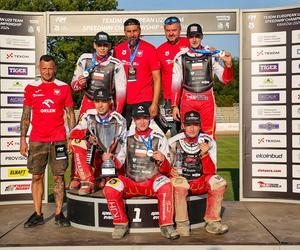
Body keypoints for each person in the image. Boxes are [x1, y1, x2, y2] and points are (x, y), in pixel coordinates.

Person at [103, 104, 179, 240]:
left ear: (150, 118)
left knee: (166, 184)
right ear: (133, 119)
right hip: (131, 182)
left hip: (152, 182)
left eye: (145, 118)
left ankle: (166, 225)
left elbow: (167, 170)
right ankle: (121, 224)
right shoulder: (126, 137)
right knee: (110, 187)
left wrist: (163, 160)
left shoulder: (159, 137)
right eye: (138, 118)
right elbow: (119, 164)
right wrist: (111, 159)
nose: (142, 121)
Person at [20, 55, 76, 228]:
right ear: (39, 68)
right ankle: (37, 214)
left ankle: (59, 214)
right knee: (37, 176)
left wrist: (72, 137)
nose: (47, 71)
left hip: (58, 139)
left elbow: (70, 114)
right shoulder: (31, 88)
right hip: (37, 139)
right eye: (44, 68)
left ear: (55, 68)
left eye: (50, 68)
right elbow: (26, 115)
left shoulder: (64, 87)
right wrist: (22, 139)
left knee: (59, 177)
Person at [168, 111, 228, 236]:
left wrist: (205, 154)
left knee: (219, 182)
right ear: (183, 125)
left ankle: (212, 221)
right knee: (179, 184)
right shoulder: (173, 141)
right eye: (189, 124)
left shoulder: (209, 141)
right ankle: (182, 224)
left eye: (195, 124)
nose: (192, 128)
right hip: (182, 180)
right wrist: (170, 170)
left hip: (200, 180)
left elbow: (211, 171)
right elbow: (166, 166)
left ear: (200, 126)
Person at [171, 23, 233, 139]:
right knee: (187, 137)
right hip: (188, 100)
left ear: (202, 36)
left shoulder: (211, 55)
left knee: (208, 136)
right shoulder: (180, 56)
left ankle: (209, 158)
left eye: (197, 36)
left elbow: (226, 80)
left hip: (207, 101)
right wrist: (174, 105)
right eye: (191, 36)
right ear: (187, 37)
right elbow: (175, 82)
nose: (194, 39)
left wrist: (228, 65)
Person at [68, 88, 127, 195]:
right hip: (95, 156)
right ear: (93, 102)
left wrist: (114, 159)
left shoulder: (118, 119)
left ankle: (105, 176)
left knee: (108, 187)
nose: (100, 105)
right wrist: (87, 135)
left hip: (113, 159)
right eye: (97, 101)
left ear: (109, 102)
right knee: (76, 142)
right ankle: (87, 181)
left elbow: (124, 145)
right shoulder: (88, 115)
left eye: (104, 101)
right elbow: (74, 131)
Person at [113, 18, 161, 128]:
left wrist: (155, 103)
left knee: (144, 135)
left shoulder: (150, 49)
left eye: (135, 31)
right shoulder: (117, 50)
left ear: (140, 31)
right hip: (124, 102)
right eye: (129, 31)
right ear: (124, 32)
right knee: (124, 136)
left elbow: (157, 79)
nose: (132, 34)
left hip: (144, 100)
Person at [71, 31, 127, 118]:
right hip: (88, 102)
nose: (102, 48)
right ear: (94, 45)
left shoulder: (116, 64)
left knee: (107, 130)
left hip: (107, 104)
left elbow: (121, 92)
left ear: (110, 46)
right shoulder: (84, 59)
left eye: (105, 45)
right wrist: (80, 84)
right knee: (82, 130)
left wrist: (117, 113)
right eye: (99, 45)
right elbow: (74, 86)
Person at [157, 16, 189, 135]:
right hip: (169, 99)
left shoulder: (189, 43)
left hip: (189, 96)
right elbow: (157, 77)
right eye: (168, 30)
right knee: (174, 133)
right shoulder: (159, 50)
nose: (171, 33)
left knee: (191, 131)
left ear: (180, 30)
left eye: (174, 30)